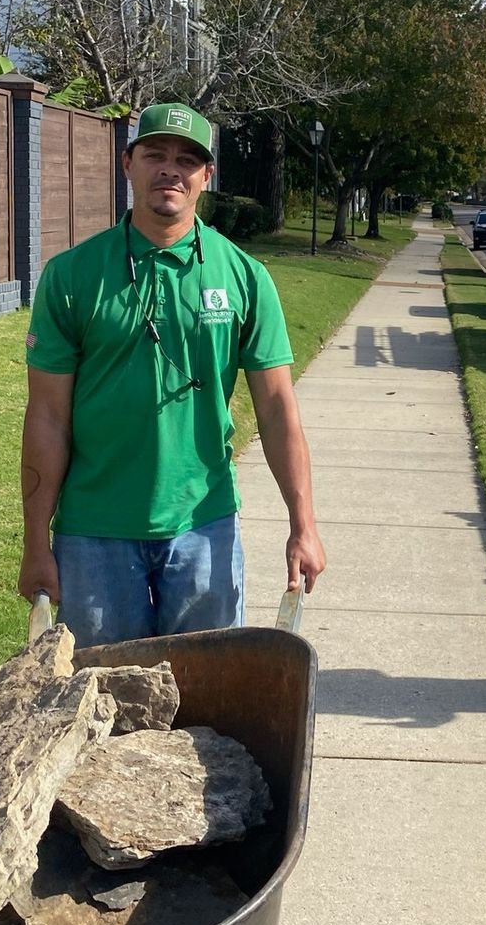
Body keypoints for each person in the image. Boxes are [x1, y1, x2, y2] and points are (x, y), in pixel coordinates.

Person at [17, 102, 326, 646]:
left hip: (204, 526)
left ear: (207, 176)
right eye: (155, 154)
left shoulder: (245, 278)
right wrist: (35, 543)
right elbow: (46, 417)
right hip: (94, 534)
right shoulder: (71, 276)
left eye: (187, 159)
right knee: (99, 705)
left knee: (207, 709)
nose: (170, 169)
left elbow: (278, 410)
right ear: (127, 164)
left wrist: (303, 525)